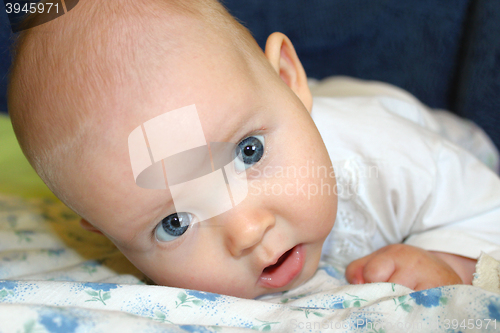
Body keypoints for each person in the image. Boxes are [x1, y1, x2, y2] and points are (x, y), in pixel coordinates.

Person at [6, 0, 500, 298]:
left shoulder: (389, 159)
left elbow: (488, 212)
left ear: (289, 80)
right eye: (174, 222)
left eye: (248, 153)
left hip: (451, 144)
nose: (245, 230)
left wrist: (447, 259)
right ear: (106, 231)